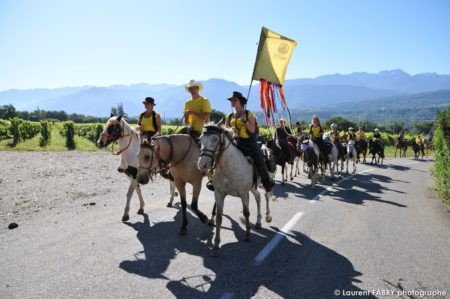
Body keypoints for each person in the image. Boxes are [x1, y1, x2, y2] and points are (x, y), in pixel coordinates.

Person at [212, 91, 275, 192]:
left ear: (240, 101)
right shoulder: (229, 116)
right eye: (231, 100)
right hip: (235, 141)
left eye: (234, 100)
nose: (232, 102)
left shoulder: (249, 114)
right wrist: (227, 129)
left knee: (258, 157)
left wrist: (245, 121)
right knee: (219, 154)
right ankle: (214, 179)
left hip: (249, 142)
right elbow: (226, 128)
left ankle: (266, 181)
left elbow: (252, 130)